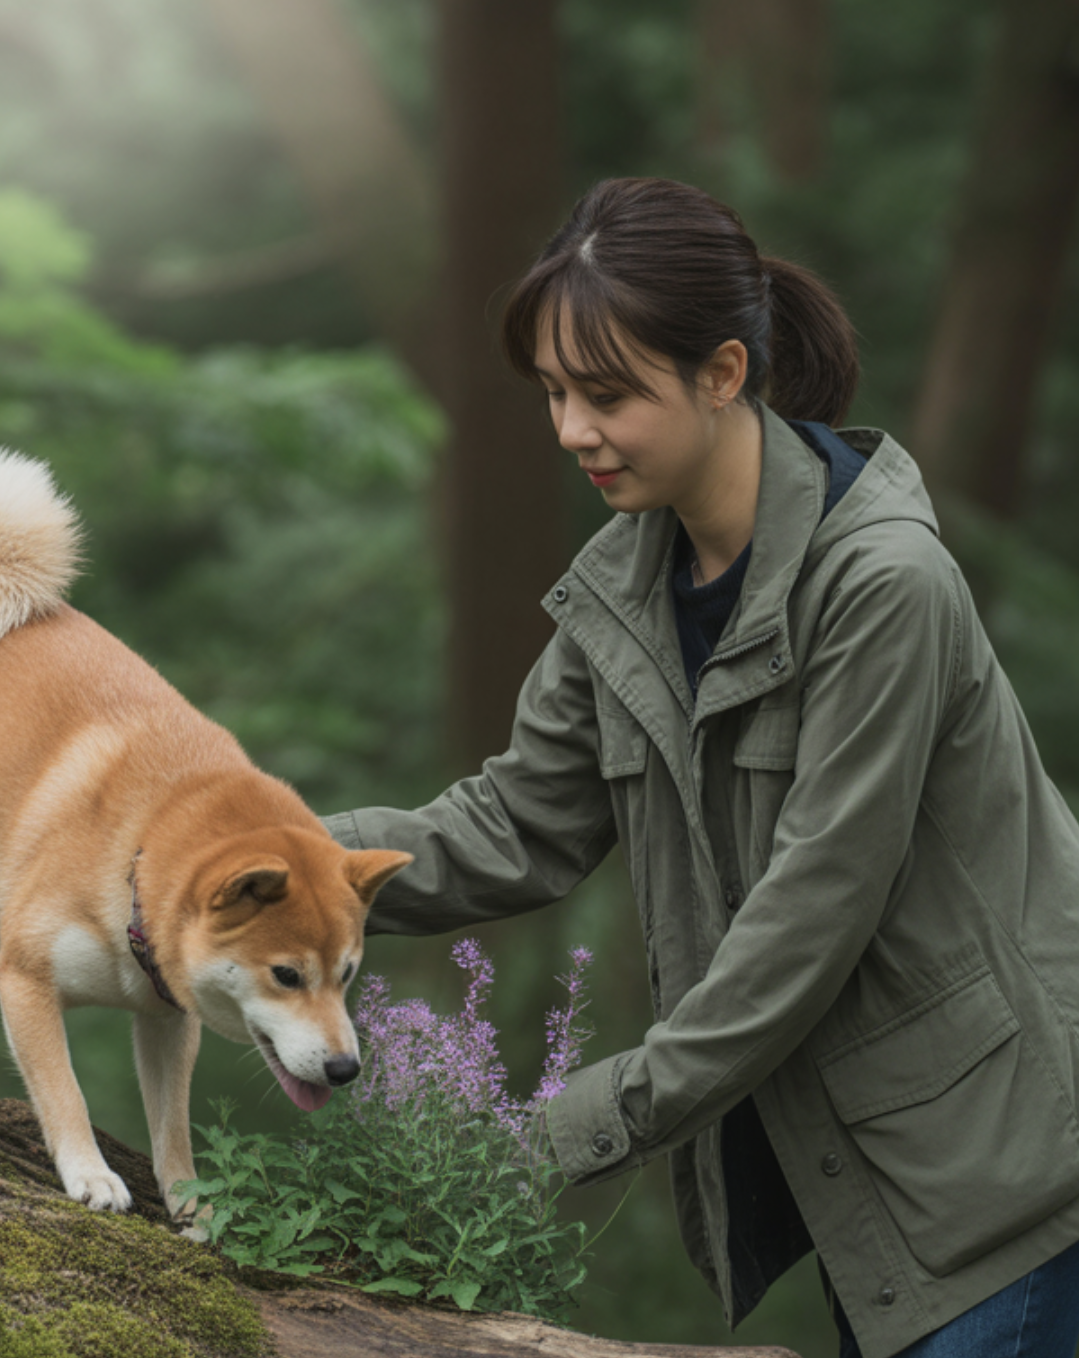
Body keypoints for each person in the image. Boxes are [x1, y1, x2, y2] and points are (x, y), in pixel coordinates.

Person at [321, 178, 1079, 1358]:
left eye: (608, 393)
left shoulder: (883, 585)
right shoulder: (626, 583)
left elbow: (811, 911)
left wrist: (565, 1128)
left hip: (1003, 1179)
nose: (573, 429)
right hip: (885, 1192)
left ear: (723, 372)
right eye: (556, 393)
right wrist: (261, 857)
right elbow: (518, 819)